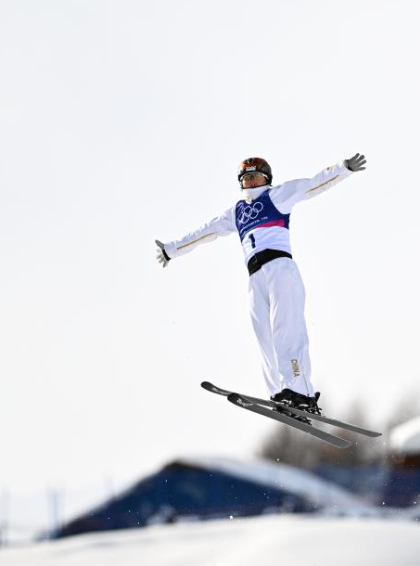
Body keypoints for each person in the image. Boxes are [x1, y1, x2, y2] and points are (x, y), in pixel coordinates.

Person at [155, 153, 367, 415]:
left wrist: (343, 169)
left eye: (256, 177)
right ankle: (279, 393)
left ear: (266, 179)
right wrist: (171, 250)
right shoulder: (236, 213)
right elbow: (205, 232)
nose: (251, 183)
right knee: (264, 337)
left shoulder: (277, 196)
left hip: (280, 269)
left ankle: (301, 392)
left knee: (287, 330)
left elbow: (312, 185)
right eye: (246, 179)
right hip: (255, 278)